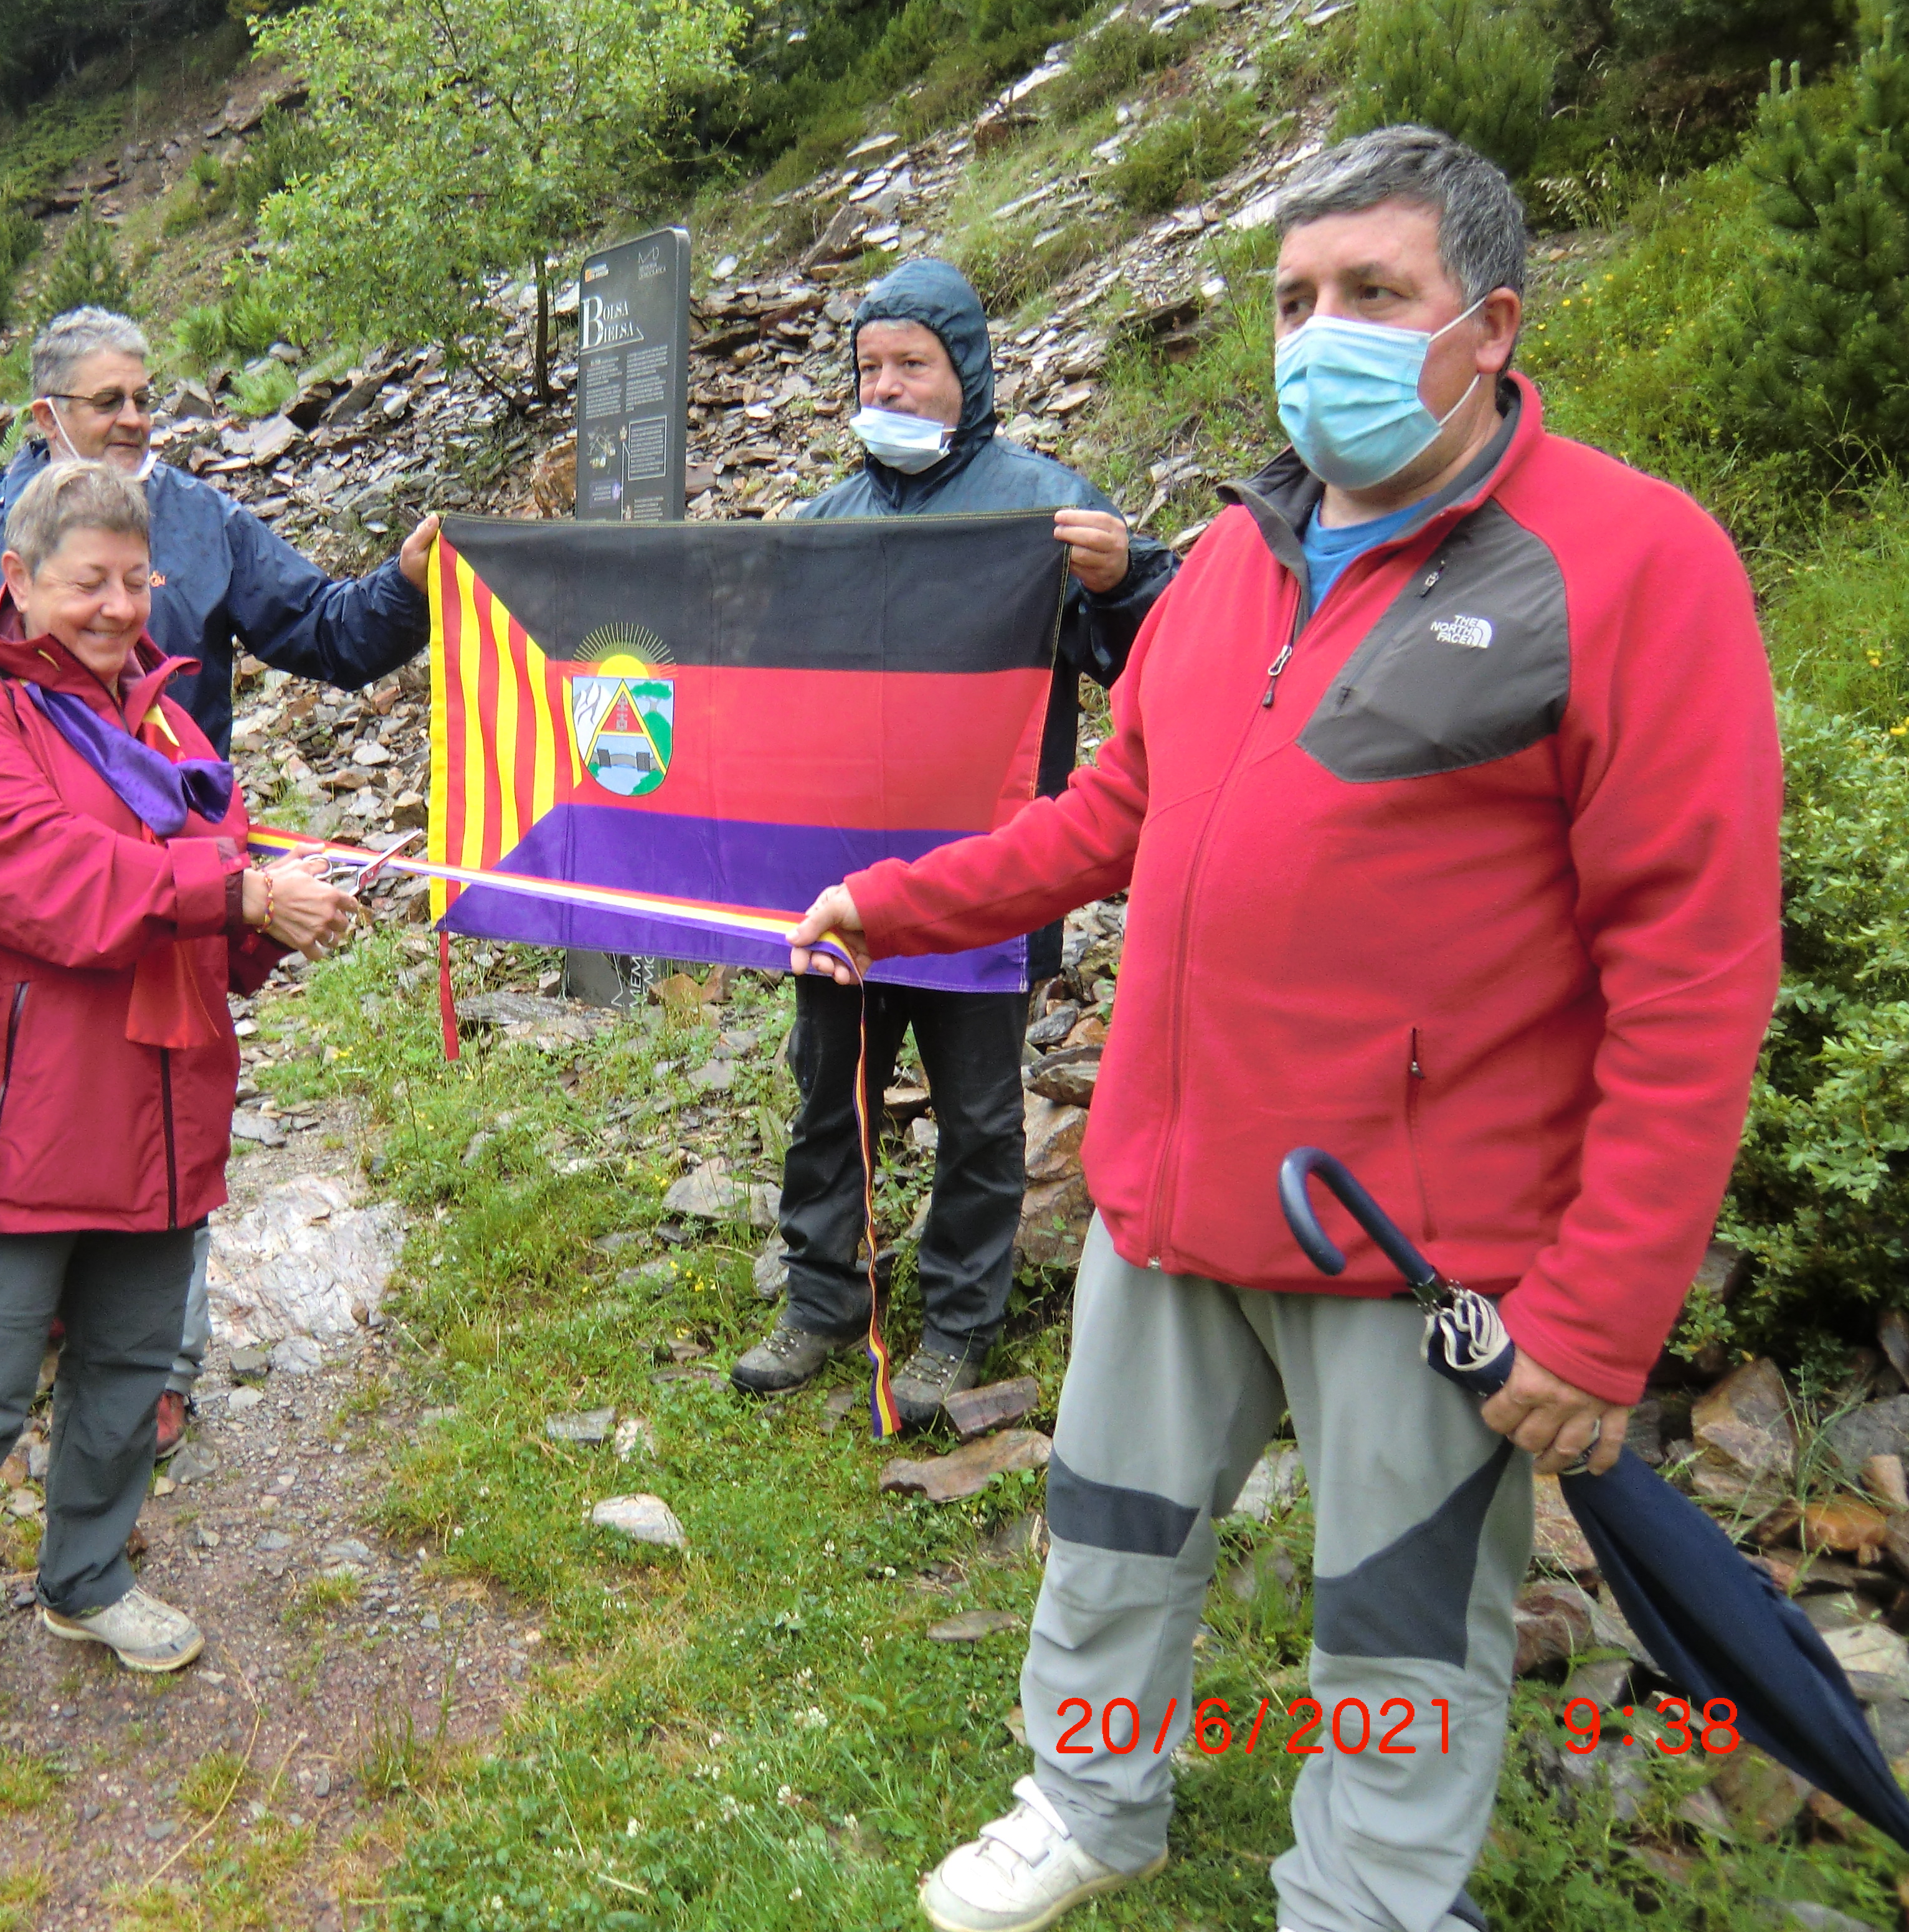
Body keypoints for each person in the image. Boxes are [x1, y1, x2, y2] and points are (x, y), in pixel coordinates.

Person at [790, 127, 1781, 1932]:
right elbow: (1113, 818)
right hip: (1171, 1190)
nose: (1319, 334)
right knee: (1108, 1532)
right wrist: (894, 901)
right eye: (1294, 297)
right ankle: (1089, 1800)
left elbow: (1695, 966)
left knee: (1402, 1609)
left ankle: (1372, 1894)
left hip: (1412, 1235)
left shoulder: (1633, 564)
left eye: (1372, 294)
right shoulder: (1238, 562)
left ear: (1489, 325)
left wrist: (1603, 1309)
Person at [0, 458, 361, 1786]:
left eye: (137, 580)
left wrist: (280, 907)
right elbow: (38, 878)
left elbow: (213, 896)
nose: (120, 607)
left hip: (165, 1111)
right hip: (25, 1118)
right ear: (17, 581)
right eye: (90, 583)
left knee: (129, 1371)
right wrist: (236, 897)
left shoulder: (168, 719)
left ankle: (85, 1577)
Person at [0, 305, 438, 1457]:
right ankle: (42, 1344)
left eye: (145, 397)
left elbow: (325, 633)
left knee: (168, 1112)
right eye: (108, 401)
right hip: (32, 917)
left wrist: (407, 586)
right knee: (33, 1120)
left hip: (178, 904)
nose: (135, 419)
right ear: (46, 415)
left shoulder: (203, 522)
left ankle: (153, 1378)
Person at [729, 257, 1175, 1428]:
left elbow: (1161, 659)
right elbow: (772, 692)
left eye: (912, 365)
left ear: (966, 371)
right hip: (844, 885)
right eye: (869, 367)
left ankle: (961, 1323)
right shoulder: (826, 522)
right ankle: (822, 1301)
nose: (887, 387)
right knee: (830, 1094)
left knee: (979, 1112)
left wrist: (1124, 581)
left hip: (990, 883)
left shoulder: (1045, 507)